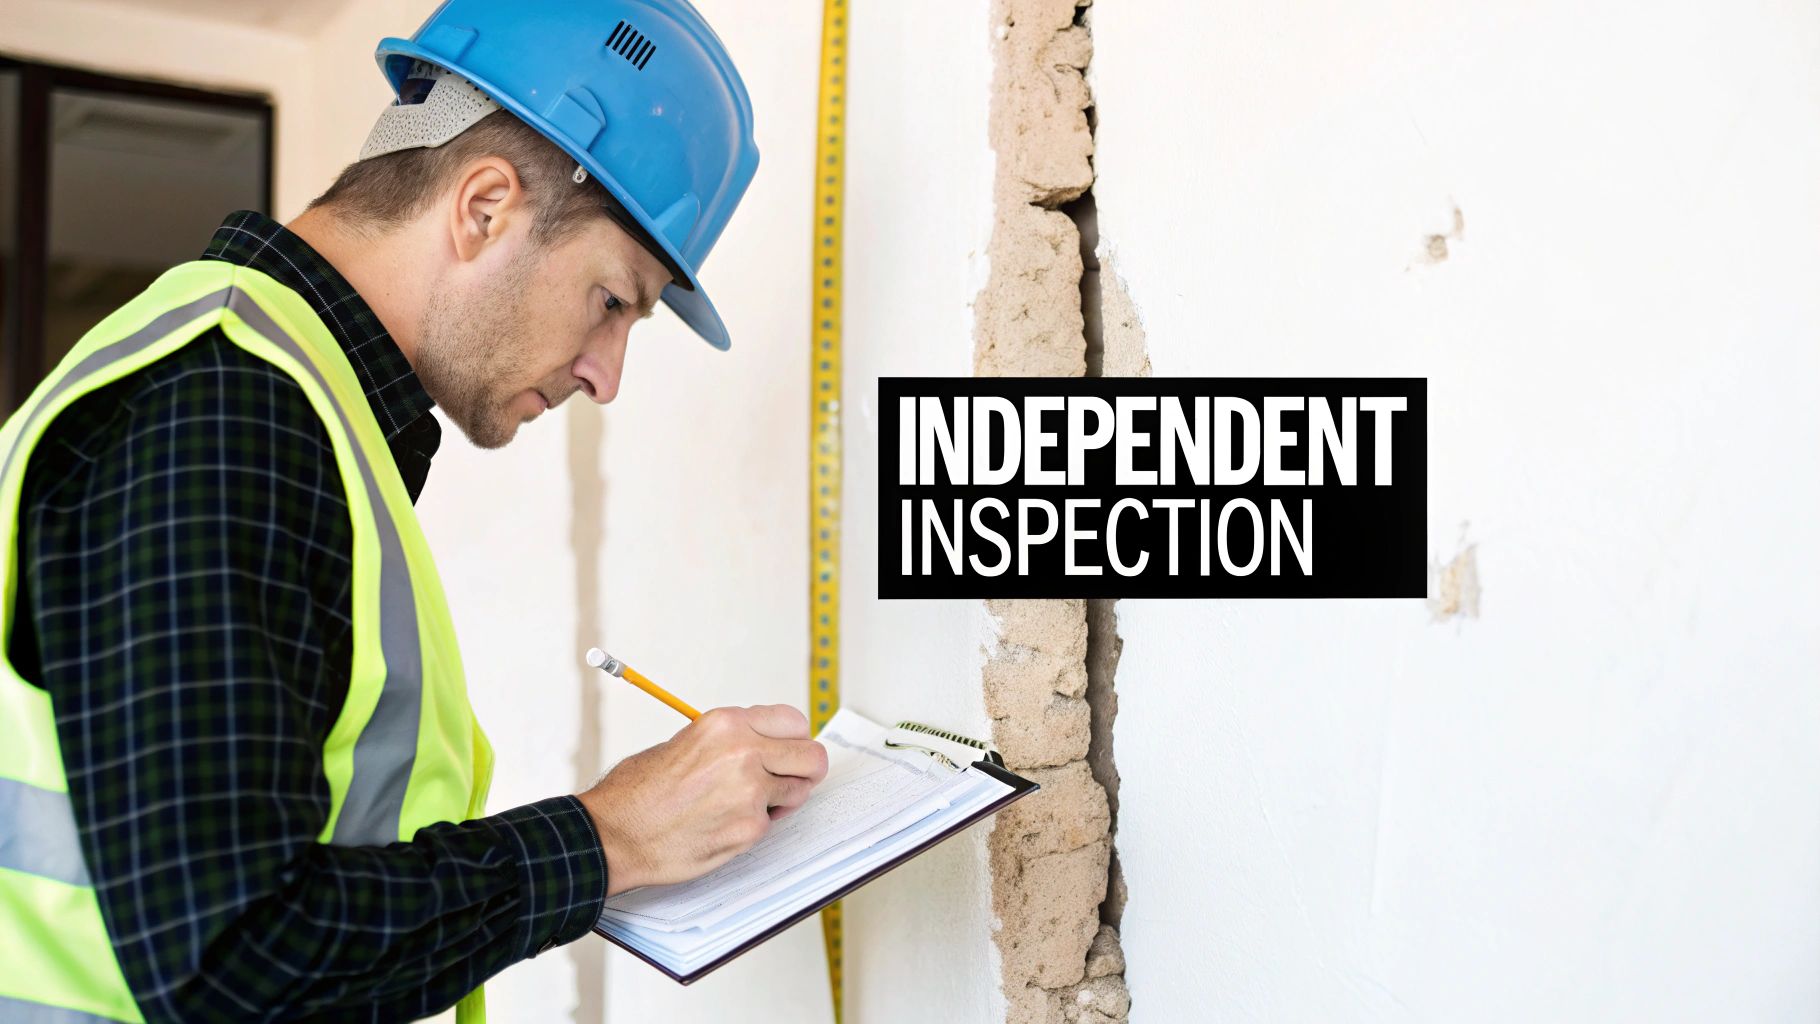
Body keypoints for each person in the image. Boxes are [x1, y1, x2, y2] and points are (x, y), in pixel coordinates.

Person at [0, 2, 825, 1021]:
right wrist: (613, 837)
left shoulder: (287, 405)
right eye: (613, 301)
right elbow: (231, 963)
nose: (606, 375)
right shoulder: (227, 411)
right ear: (482, 206)